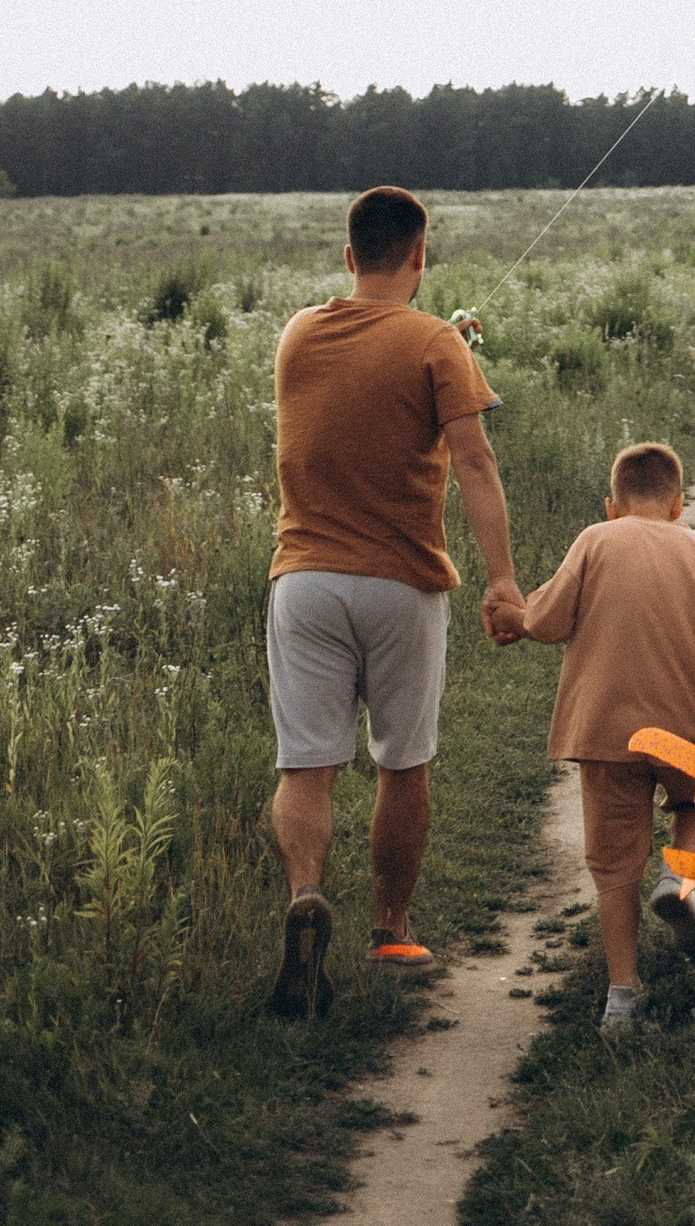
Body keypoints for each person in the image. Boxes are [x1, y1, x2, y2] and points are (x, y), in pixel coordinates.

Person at [264, 183, 527, 1015]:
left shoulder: (297, 333)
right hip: (401, 584)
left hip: (302, 580)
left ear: (348, 256)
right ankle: (391, 929)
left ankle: (306, 892)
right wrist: (503, 579)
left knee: (307, 765)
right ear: (420, 254)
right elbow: (476, 464)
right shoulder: (438, 341)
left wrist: (440, 339)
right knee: (401, 762)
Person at [514, 437, 695, 1038]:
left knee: (613, 862)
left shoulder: (594, 541)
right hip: (687, 727)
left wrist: (515, 614)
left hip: (605, 728)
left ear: (611, 506)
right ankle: (677, 878)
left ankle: (622, 995)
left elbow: (546, 620)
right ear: (678, 506)